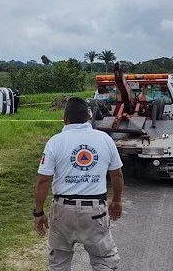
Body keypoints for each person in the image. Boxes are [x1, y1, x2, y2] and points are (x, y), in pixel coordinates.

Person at [33, 97, 124, 271]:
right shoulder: (104, 139)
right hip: (95, 211)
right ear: (88, 117)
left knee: (59, 262)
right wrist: (117, 200)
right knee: (104, 261)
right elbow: (117, 175)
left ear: (65, 118)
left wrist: (38, 213)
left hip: (62, 211)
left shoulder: (55, 141)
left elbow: (43, 180)